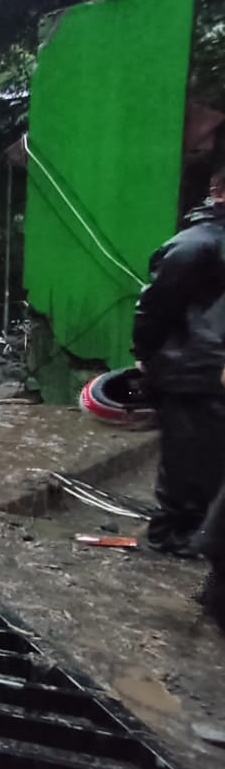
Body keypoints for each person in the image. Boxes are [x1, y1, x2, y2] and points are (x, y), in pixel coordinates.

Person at [132, 169, 225, 558]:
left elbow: (154, 309)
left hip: (195, 370)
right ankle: (189, 536)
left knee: (190, 461)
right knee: (201, 460)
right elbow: (159, 307)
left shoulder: (192, 244)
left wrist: (144, 354)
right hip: (201, 370)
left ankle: (182, 538)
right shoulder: (198, 245)